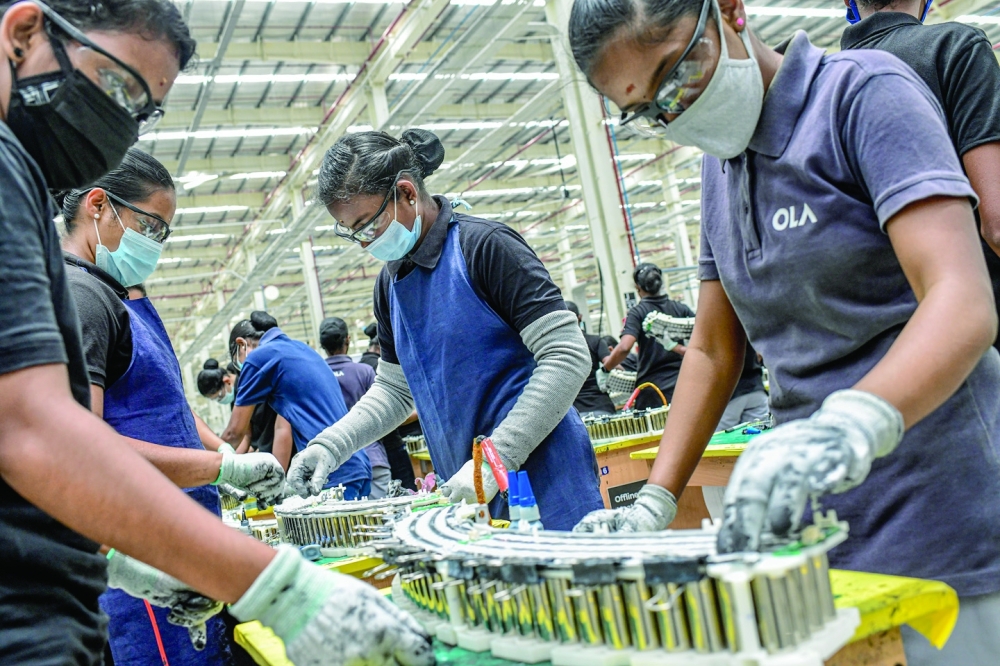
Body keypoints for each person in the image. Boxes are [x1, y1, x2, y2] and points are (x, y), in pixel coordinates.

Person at [566, 0, 1000, 660]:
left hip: (940, 507)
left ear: (731, 11)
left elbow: (960, 298)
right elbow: (712, 349)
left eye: (676, 78)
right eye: (648, 111)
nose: (675, 115)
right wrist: (655, 500)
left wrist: (847, 423)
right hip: (818, 533)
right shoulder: (720, 166)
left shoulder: (861, 95)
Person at [0, 2, 432, 664]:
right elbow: (35, 431)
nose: (118, 127)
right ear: (25, 32)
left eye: (139, 112)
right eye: (118, 89)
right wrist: (277, 588)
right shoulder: (20, 194)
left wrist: (132, 563)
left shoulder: (33, 203)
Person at [285, 129, 603, 530]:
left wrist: (496, 458)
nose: (365, 244)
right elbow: (395, 391)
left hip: (543, 477)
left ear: (407, 193)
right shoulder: (390, 285)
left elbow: (567, 355)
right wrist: (331, 445)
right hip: (469, 489)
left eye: (367, 226)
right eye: (353, 233)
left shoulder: (485, 247)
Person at [59, 148, 291, 664]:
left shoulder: (122, 296)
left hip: (183, 533)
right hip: (147, 550)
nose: (156, 245)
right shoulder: (83, 299)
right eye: (151, 227)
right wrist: (222, 464)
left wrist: (233, 467)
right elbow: (82, 449)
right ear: (98, 205)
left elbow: (172, 416)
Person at [841, 6, 1000, 347]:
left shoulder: (823, 89)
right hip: (973, 335)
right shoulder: (952, 48)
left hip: (879, 347)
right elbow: (998, 224)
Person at [220, 312, 373, 499]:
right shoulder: (302, 349)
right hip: (356, 461)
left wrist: (211, 468)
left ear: (241, 344)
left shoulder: (259, 357)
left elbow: (234, 433)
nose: (240, 367)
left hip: (329, 470)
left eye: (238, 359)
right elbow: (283, 425)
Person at [599, 263, 695, 409]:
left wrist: (605, 370)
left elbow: (625, 347)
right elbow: (703, 341)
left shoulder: (637, 312)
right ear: (661, 282)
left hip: (652, 390)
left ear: (638, 287)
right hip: (683, 384)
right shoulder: (681, 309)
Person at [319, 316, 393, 498]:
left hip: (335, 465)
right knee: (381, 521)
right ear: (348, 340)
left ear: (322, 346)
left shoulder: (317, 377)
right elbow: (382, 414)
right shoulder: (364, 371)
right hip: (372, 458)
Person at [565, 300, 616, 416]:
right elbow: (610, 363)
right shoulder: (595, 341)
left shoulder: (559, 347)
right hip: (602, 407)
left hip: (576, 413)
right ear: (580, 317)